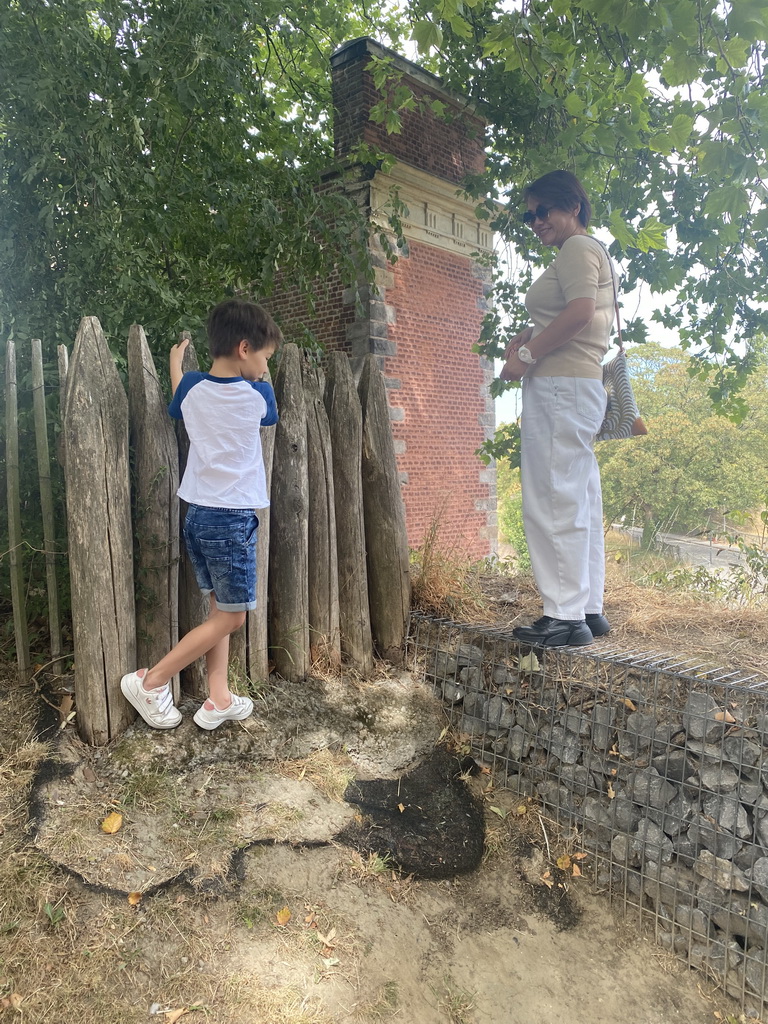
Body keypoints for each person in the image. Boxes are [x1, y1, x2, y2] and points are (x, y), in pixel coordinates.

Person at [121, 298, 280, 728]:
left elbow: (180, 399)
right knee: (232, 615)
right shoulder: (258, 395)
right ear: (245, 348)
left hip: (199, 517)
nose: (267, 369)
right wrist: (258, 380)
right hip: (231, 521)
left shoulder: (192, 387)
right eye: (266, 358)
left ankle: (218, 698)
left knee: (219, 610)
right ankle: (152, 681)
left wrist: (176, 365)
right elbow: (269, 415)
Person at [499, 170, 614, 647]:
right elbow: (579, 316)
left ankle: (565, 617)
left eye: (543, 210)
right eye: (530, 214)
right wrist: (531, 336)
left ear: (572, 207)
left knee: (551, 498)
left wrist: (525, 357)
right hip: (579, 385)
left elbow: (581, 312)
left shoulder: (576, 248)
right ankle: (587, 610)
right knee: (579, 496)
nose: (535, 220)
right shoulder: (591, 251)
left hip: (560, 387)